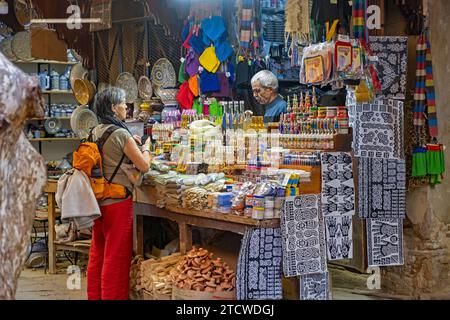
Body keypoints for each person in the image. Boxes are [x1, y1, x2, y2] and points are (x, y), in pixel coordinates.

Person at [86, 87, 151, 300]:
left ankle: (95, 296)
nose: (126, 106)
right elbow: (143, 166)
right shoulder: (120, 133)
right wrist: (147, 148)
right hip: (117, 201)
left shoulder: (94, 131)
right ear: (114, 108)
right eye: (123, 103)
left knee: (98, 253)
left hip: (97, 200)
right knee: (116, 257)